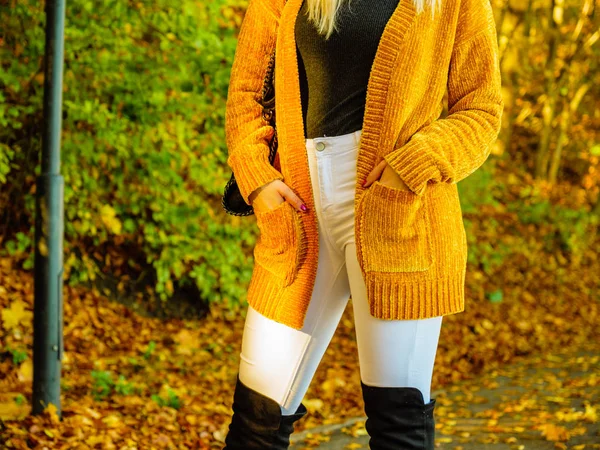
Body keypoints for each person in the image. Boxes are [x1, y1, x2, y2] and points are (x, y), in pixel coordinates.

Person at [222, 0, 503, 448]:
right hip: (297, 217)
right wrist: (257, 178)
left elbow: (482, 110)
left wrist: (413, 163)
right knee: (255, 422)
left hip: (400, 216)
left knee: (398, 428)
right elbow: (246, 95)